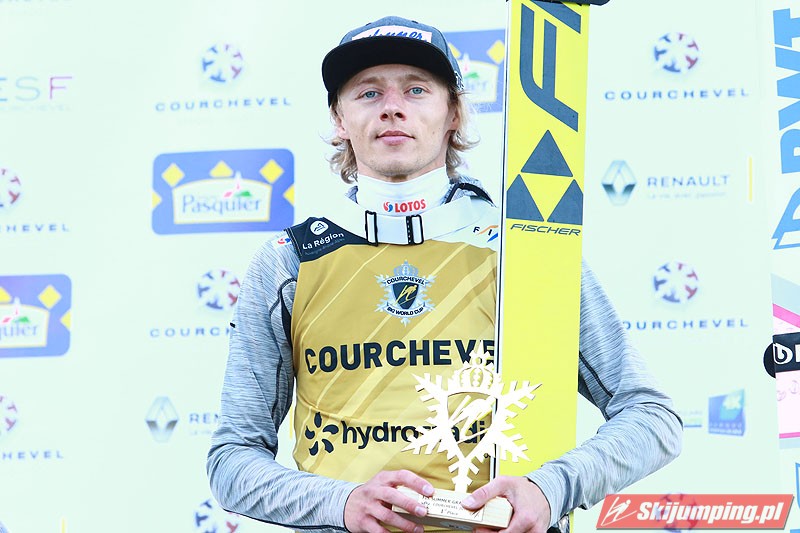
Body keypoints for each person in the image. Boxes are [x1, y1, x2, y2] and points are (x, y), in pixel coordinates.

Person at [207, 15, 683, 533]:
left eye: (416, 89)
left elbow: (652, 419)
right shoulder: (290, 261)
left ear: (454, 112)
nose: (392, 107)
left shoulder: (522, 249)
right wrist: (339, 503)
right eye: (368, 92)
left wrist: (552, 488)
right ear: (339, 118)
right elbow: (232, 462)